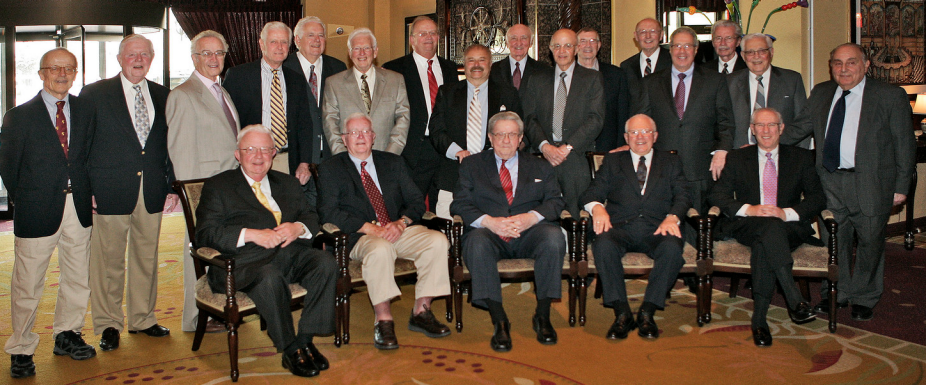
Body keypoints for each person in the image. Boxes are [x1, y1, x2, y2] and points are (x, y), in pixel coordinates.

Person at [782, 43, 915, 321]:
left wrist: (901, 186)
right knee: (834, 240)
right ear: (831, 67)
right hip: (829, 181)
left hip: (871, 183)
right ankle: (837, 292)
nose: (844, 69)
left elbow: (904, 144)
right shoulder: (821, 92)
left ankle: (865, 296)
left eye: (851, 62)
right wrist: (763, 141)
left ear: (866, 65)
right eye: (837, 63)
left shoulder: (890, 96)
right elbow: (798, 129)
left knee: (870, 241)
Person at [195, 125, 337, 377]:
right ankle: (290, 348)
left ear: (274, 153)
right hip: (239, 264)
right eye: (250, 149)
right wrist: (251, 234)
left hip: (285, 254)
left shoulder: (288, 183)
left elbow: (311, 215)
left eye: (265, 149)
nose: (258, 156)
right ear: (238, 154)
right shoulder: (219, 186)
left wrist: (297, 227)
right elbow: (205, 234)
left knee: (325, 262)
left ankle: (305, 339)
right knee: (269, 277)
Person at [316, 114, 451, 350]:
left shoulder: (393, 163)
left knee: (437, 240)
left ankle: (421, 311)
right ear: (344, 139)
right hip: (361, 235)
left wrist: (401, 223)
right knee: (380, 249)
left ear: (374, 137)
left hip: (395, 228)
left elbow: (416, 201)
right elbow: (328, 212)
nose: (360, 137)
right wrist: (370, 228)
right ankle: (383, 319)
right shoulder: (331, 168)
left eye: (365, 132)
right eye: (354, 133)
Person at [1, 48, 95, 378]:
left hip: (79, 207)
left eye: (69, 68)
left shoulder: (85, 109)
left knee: (77, 276)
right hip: (37, 208)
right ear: (41, 73)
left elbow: (88, 156)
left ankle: (67, 334)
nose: (62, 74)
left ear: (75, 73)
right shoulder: (18, 116)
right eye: (54, 68)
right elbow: (9, 168)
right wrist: (26, 199)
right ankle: (22, 347)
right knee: (28, 283)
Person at [80, 34, 178, 352]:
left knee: (146, 257)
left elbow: (170, 145)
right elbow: (82, 145)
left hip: (150, 189)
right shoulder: (94, 94)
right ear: (120, 59)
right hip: (108, 189)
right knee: (108, 261)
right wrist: (87, 189)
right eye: (132, 54)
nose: (138, 59)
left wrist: (171, 184)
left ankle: (142, 318)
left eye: (145, 54)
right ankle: (108, 323)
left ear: (152, 58)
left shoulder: (165, 95)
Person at [451, 111, 566, 352]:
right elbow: (460, 203)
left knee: (554, 238)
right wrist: (489, 222)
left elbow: (555, 202)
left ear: (521, 138)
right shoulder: (472, 165)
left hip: (529, 233)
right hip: (491, 233)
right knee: (476, 242)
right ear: (490, 138)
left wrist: (530, 218)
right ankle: (499, 319)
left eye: (512, 134)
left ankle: (542, 315)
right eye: (500, 134)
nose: (506, 140)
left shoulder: (540, 165)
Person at [708, 108, 822, 347]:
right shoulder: (738, 158)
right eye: (760, 125)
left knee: (766, 241)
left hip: (788, 226)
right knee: (768, 231)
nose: (766, 130)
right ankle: (794, 298)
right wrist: (749, 209)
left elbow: (817, 198)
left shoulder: (800, 157)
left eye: (772, 125)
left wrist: (785, 213)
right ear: (752, 130)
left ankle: (759, 319)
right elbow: (717, 194)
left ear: (781, 129)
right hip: (748, 224)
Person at [581, 114, 690, 340]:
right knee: (603, 244)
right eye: (634, 132)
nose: (640, 137)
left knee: (671, 249)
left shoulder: (671, 162)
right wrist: (597, 208)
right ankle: (622, 313)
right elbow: (591, 193)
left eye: (646, 132)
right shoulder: (612, 161)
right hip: (620, 227)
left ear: (655, 136)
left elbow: (684, 196)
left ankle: (647, 312)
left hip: (658, 227)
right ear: (626, 137)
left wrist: (673, 216)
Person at [166, 29, 240, 334]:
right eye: (206, 53)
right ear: (194, 57)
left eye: (219, 53)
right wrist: (191, 198)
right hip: (203, 190)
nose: (213, 59)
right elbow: (180, 152)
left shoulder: (222, 91)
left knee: (220, 251)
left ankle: (218, 308)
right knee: (196, 251)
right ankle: (196, 316)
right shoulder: (183, 95)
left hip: (227, 186)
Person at [638, 26, 734, 220]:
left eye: (688, 46)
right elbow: (642, 124)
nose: (682, 51)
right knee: (662, 227)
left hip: (699, 167)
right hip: (661, 167)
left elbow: (725, 122)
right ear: (670, 49)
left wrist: (722, 151)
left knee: (697, 230)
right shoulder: (651, 82)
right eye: (677, 46)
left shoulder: (715, 81)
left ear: (696, 49)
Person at [428, 44, 522, 218]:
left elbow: (520, 134)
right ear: (464, 64)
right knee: (449, 237)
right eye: (471, 60)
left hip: (497, 178)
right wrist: (457, 152)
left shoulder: (507, 94)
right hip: (453, 177)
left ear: (490, 63)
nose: (476, 64)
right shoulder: (447, 92)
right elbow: (436, 130)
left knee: (491, 234)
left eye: (482, 60)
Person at [522, 28, 605, 218]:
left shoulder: (592, 78)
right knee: (540, 214)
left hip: (575, 157)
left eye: (568, 45)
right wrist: (545, 147)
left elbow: (596, 118)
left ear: (576, 49)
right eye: (557, 46)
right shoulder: (537, 79)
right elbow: (529, 118)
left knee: (576, 216)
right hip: (542, 158)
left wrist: (567, 148)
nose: (562, 50)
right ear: (550, 49)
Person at [383, 16, 460, 212]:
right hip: (412, 150)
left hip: (444, 150)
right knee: (409, 208)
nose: (428, 37)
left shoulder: (450, 68)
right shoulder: (394, 69)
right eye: (422, 33)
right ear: (412, 40)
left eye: (433, 33)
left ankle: (440, 243)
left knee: (442, 209)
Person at [223, 21, 313, 184]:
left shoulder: (296, 80)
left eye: (284, 42)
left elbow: (305, 124)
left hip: (287, 161)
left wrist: (304, 163)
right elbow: (225, 123)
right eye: (273, 41)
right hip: (251, 161)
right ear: (261, 44)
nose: (279, 47)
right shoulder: (238, 77)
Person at [323, 28, 410, 155]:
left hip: (386, 156)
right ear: (350, 53)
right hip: (349, 160)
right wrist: (344, 159)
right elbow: (330, 124)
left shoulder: (395, 80)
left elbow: (403, 119)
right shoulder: (334, 83)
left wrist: (390, 155)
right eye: (356, 48)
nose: (362, 53)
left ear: (375, 52)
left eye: (367, 48)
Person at [282, 16, 348, 165]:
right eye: (310, 35)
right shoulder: (284, 69)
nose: (317, 40)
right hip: (295, 159)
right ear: (297, 40)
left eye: (321, 35)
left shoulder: (338, 68)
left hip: (331, 158)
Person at [728, 33, 809, 149]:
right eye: (750, 52)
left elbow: (803, 123)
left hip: (782, 153)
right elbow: (722, 124)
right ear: (743, 55)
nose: (756, 56)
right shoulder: (729, 82)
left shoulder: (791, 80)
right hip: (740, 155)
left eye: (762, 51)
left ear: (771, 52)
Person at [576, 27, 632, 152]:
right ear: (576, 45)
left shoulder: (616, 74)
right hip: (574, 147)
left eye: (592, 41)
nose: (588, 45)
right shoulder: (567, 75)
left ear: (599, 45)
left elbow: (623, 113)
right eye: (583, 41)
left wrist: (621, 146)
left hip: (608, 146)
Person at [490, 23, 550, 98]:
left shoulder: (543, 70)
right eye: (514, 38)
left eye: (524, 38)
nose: (519, 43)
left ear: (531, 43)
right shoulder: (494, 70)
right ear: (507, 43)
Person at [620, 18, 670, 102]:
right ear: (636, 36)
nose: (648, 36)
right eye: (643, 32)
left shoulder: (673, 61)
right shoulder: (626, 66)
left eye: (653, 31)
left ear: (661, 35)